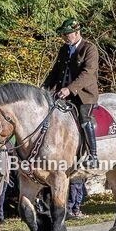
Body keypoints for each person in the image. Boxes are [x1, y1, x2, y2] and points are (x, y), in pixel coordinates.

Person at [42, 18, 100, 169]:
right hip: (63, 93)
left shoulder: (89, 49)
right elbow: (55, 72)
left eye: (67, 34)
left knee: (84, 117)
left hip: (84, 95)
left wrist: (70, 88)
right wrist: (43, 89)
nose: (64, 37)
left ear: (76, 32)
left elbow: (88, 73)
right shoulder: (63, 49)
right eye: (63, 34)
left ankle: (93, 155)